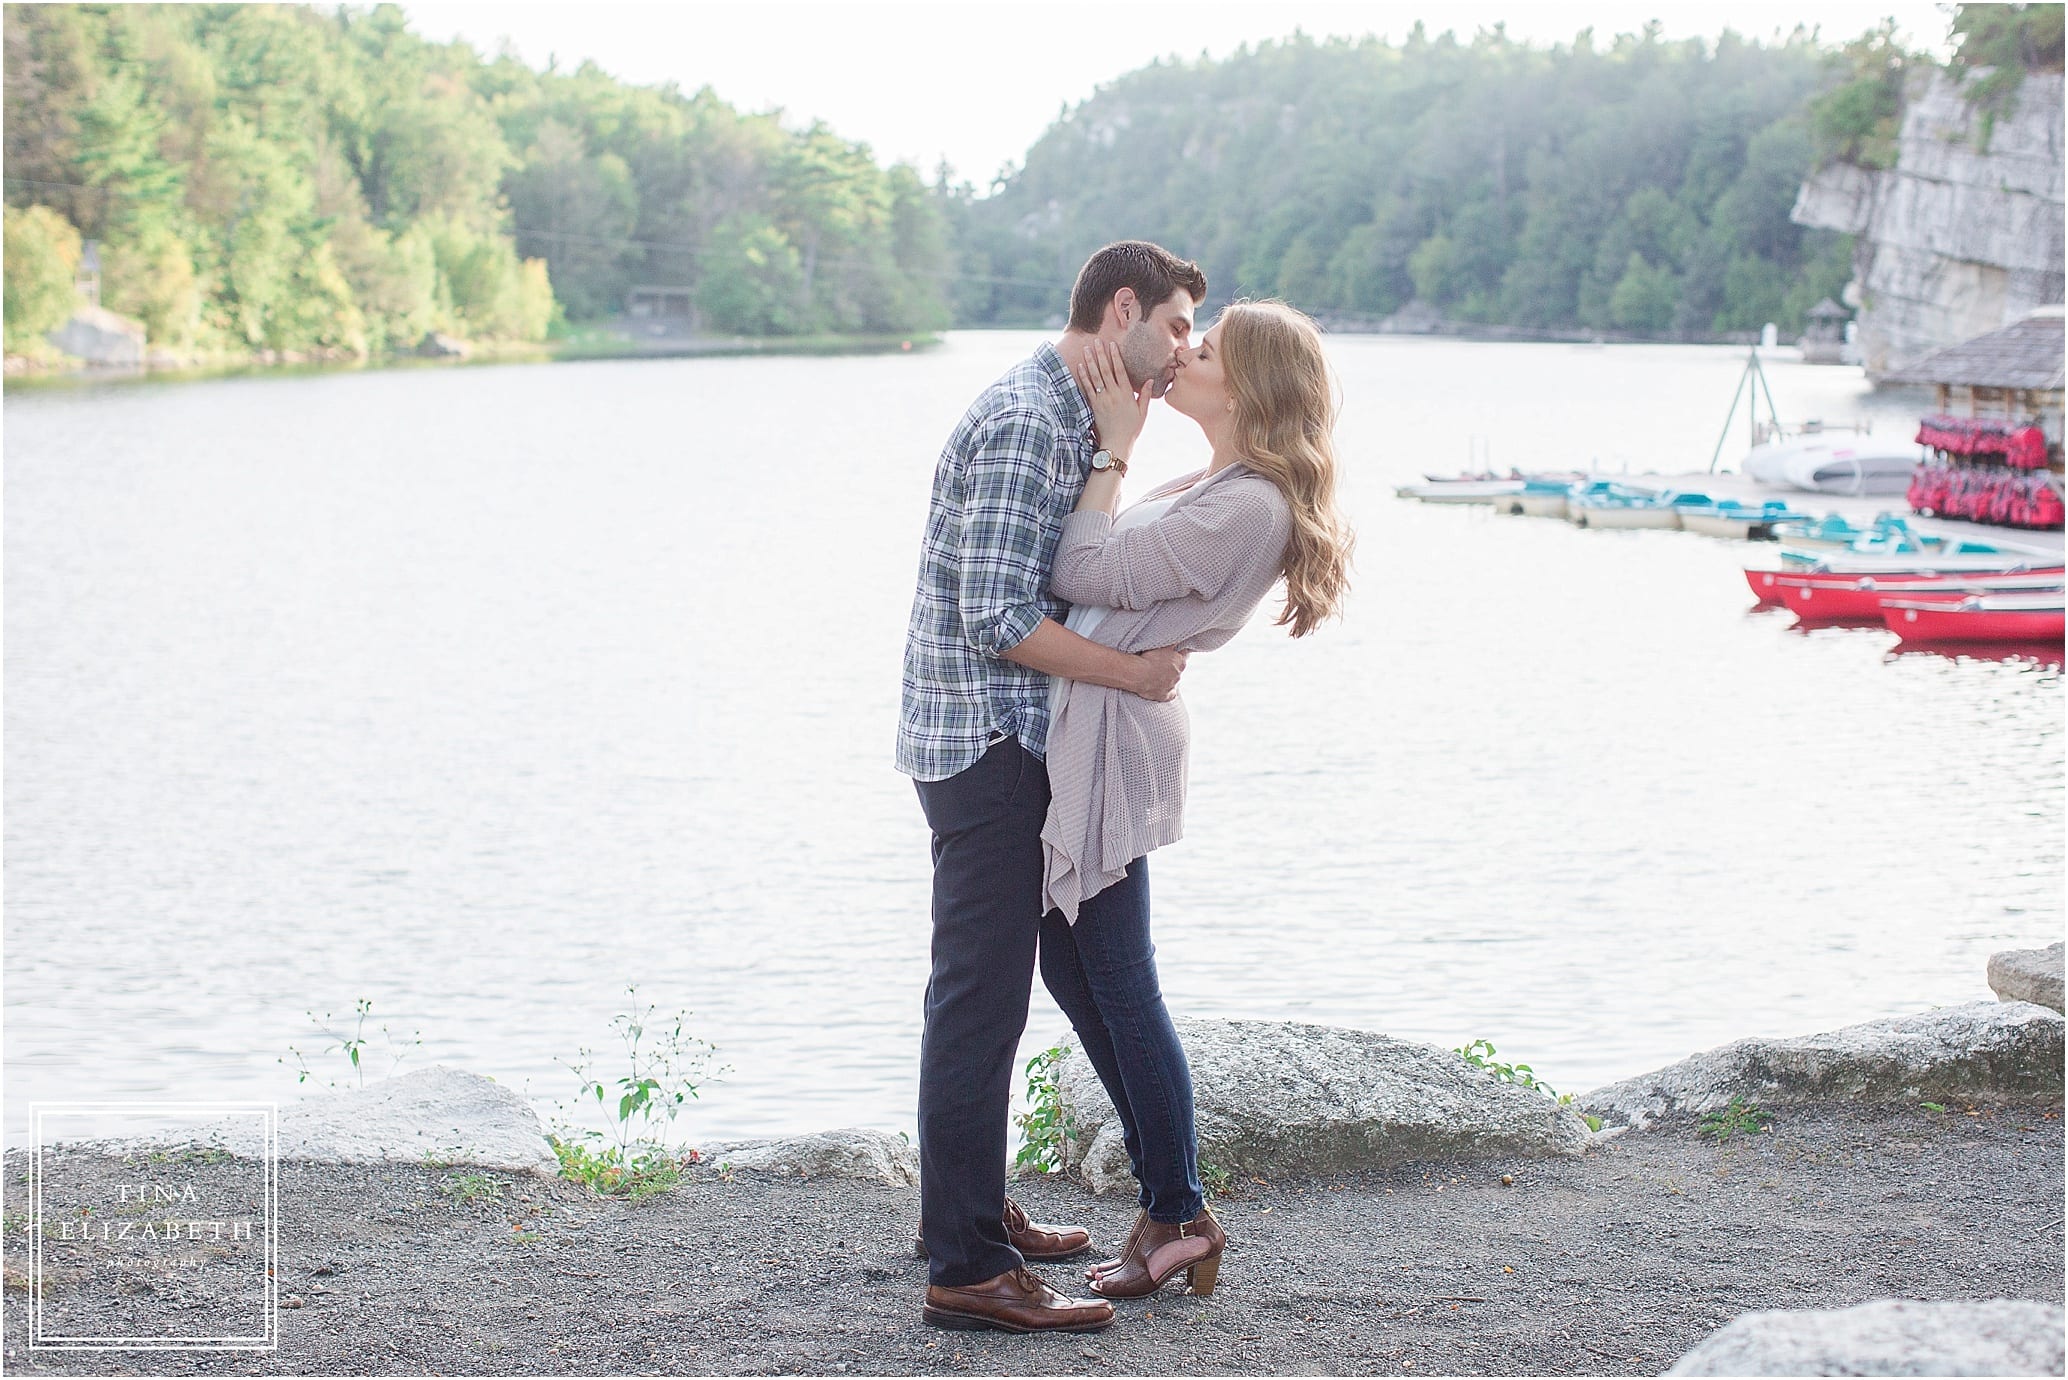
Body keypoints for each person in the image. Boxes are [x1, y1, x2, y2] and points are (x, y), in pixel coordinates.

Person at [897, 240, 1209, 1335]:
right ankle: (969, 1270)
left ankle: (969, 1219)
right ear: (1119, 308)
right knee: (979, 1002)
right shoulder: (1033, 420)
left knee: (989, 998)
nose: (1183, 352)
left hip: (1010, 747)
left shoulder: (1072, 417)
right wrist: (1134, 674)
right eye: (1172, 326)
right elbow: (998, 617)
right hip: (985, 747)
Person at [1036, 298, 1355, 1302]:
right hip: (1100, 722)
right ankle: (1170, 1204)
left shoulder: (1247, 505)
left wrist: (1113, 447)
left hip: (1114, 743)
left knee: (1119, 981)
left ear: (1248, 385)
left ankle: (1179, 1212)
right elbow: (1101, 580)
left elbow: (1077, 564)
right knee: (1076, 970)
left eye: (1205, 348)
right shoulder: (1217, 481)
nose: (1185, 353)